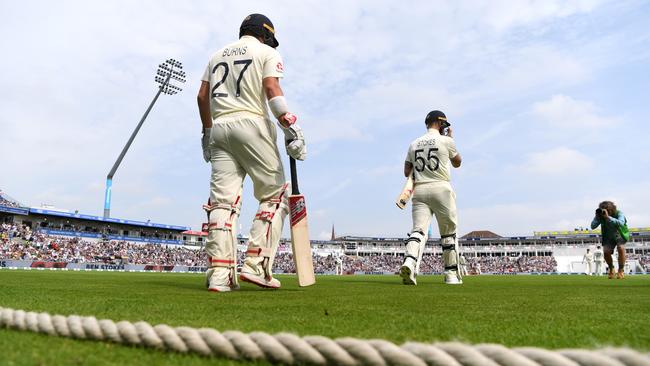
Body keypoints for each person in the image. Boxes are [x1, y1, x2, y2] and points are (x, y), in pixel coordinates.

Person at [196, 14, 306, 292]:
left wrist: (207, 132)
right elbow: (271, 88)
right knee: (275, 194)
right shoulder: (266, 52)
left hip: (219, 129)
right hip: (252, 123)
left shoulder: (216, 55)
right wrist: (289, 126)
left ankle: (220, 274)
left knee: (222, 204)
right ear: (266, 35)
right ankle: (256, 266)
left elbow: (201, 96)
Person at [400, 110, 462, 285]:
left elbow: (407, 172)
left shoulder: (413, 144)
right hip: (441, 187)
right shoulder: (446, 141)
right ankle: (450, 274)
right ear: (440, 123)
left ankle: (410, 262)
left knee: (418, 230)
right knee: (448, 233)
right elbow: (457, 162)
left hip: (419, 190)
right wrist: (451, 140)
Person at [590, 201, 629, 279]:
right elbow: (592, 226)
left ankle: (621, 270)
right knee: (606, 252)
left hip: (619, 234)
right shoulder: (600, 215)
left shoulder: (619, 213)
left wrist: (608, 217)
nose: (604, 212)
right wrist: (597, 217)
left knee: (621, 248)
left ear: (611, 210)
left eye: (606, 210)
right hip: (608, 236)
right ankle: (611, 269)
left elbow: (621, 223)